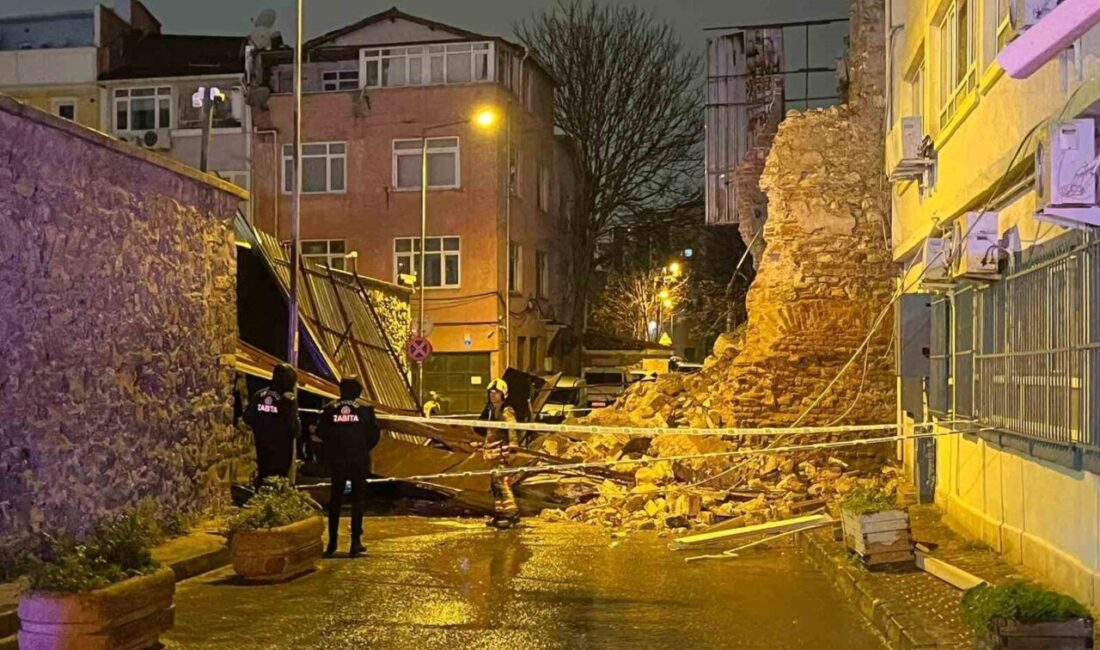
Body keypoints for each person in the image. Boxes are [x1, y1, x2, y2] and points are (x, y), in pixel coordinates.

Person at [316, 376, 380, 558]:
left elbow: (321, 432)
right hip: (358, 459)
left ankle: (332, 543)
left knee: (335, 500)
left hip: (337, 459)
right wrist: (362, 448)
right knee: (358, 501)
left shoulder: (330, 408)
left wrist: (333, 447)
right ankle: (355, 542)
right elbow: (374, 434)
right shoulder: (365, 409)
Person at [243, 363, 300, 490]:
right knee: (279, 483)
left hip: (261, 446)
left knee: (263, 478)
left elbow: (248, 417)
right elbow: (295, 428)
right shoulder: (288, 399)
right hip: (281, 449)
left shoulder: (259, 395)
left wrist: (261, 427)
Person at [478, 378, 520, 529]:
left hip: (502, 452)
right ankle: (500, 513)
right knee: (495, 484)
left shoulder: (506, 410)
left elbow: (512, 428)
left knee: (501, 482)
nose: (493, 395)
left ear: (503, 395)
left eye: (496, 393)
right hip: (493, 453)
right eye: (491, 392)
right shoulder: (491, 410)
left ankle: (512, 513)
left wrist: (513, 447)